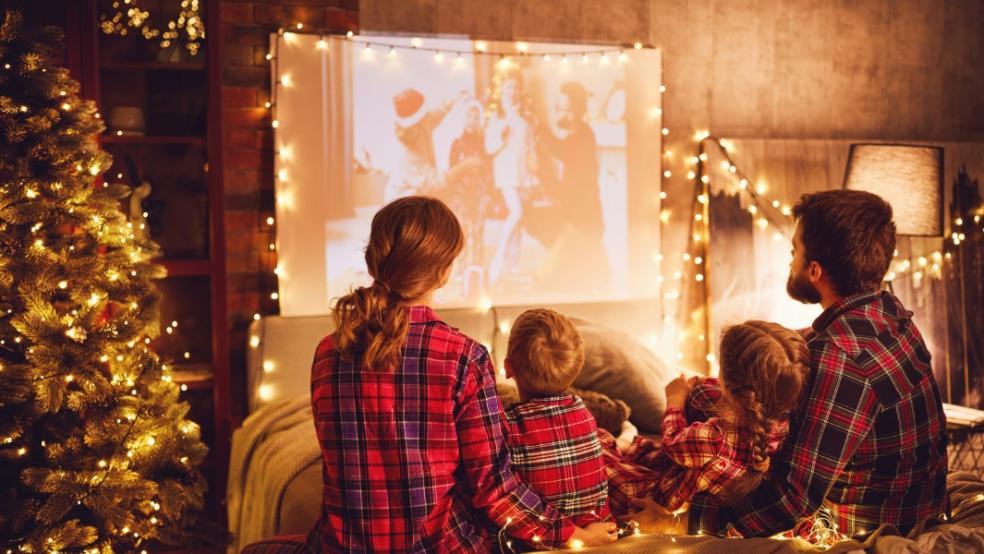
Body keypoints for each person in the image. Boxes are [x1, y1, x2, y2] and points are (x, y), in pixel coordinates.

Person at [302, 196, 617, 552]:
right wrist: (572, 535)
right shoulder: (464, 358)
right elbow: (494, 486)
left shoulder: (327, 352)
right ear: (444, 272)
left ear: (373, 260)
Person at [663, 190, 949, 539]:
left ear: (814, 271)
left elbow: (791, 499)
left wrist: (680, 521)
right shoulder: (888, 312)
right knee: (706, 400)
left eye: (794, 251)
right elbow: (812, 341)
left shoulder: (841, 360)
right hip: (919, 506)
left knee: (713, 456)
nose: (790, 260)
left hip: (870, 530)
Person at [600, 322, 808, 521]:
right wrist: (703, 382)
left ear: (728, 382)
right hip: (694, 481)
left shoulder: (713, 439)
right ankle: (624, 444)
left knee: (600, 450)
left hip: (666, 505)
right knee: (643, 452)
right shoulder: (784, 427)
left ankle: (621, 443)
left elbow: (672, 442)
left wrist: (675, 398)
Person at [501, 308, 611, 540]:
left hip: (537, 540)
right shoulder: (583, 412)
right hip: (600, 529)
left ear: (508, 368)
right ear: (577, 366)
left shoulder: (507, 426)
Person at [486, 69, 532, 286]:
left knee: (519, 219)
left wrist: (530, 176)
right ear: (502, 90)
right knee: (517, 212)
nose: (512, 91)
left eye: (515, 87)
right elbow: (489, 148)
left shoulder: (524, 116)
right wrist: (502, 137)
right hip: (506, 172)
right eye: (508, 87)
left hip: (522, 172)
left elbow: (528, 148)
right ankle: (500, 254)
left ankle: (514, 263)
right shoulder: (497, 116)